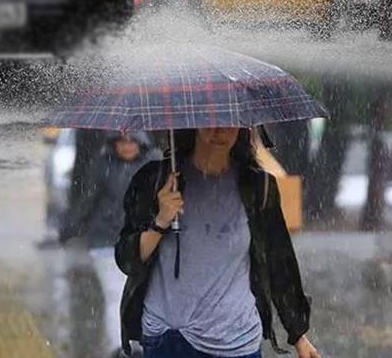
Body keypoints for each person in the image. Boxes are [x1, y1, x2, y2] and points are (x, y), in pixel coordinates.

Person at [115, 128, 322, 358]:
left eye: (228, 123)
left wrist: (298, 334)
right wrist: (161, 221)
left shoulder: (257, 186)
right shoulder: (155, 181)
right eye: (209, 121)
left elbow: (279, 262)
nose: (220, 131)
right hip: (169, 339)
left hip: (236, 340)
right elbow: (127, 260)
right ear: (193, 124)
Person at [60, 131, 160, 357]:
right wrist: (70, 228)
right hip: (106, 241)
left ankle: (141, 345)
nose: (126, 147)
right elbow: (88, 200)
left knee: (143, 296)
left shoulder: (154, 165)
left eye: (131, 141)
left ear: (141, 143)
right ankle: (121, 348)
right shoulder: (102, 164)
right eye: (121, 142)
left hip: (143, 241)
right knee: (115, 295)